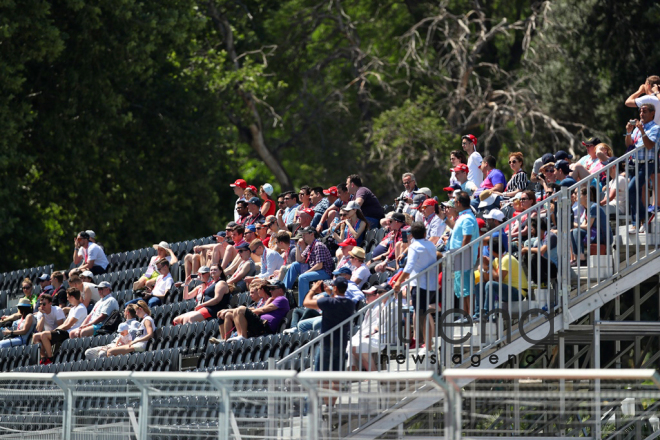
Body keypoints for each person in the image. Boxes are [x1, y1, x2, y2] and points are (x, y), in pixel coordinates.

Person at [393, 222, 438, 355]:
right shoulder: (430, 244)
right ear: (425, 233)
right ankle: (429, 343)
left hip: (420, 285)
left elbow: (408, 267)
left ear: (411, 235)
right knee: (425, 313)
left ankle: (428, 346)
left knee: (422, 315)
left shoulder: (414, 247)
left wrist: (399, 281)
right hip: (432, 284)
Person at [304, 277, 355, 372]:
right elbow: (338, 301)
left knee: (321, 375)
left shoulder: (327, 302)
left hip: (327, 342)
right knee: (336, 375)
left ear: (335, 288)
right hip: (341, 342)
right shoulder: (350, 303)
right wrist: (330, 292)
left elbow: (306, 303)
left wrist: (313, 290)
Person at [626, 103, 659, 232]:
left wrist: (642, 131)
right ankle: (637, 222)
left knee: (631, 189)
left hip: (647, 163)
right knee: (634, 192)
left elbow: (650, 145)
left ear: (652, 113)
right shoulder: (637, 129)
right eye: (640, 111)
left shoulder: (656, 128)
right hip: (634, 163)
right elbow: (629, 146)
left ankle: (642, 217)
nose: (641, 114)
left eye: (644, 111)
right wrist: (628, 132)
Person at [477, 236, 528, 320]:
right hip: (508, 290)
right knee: (480, 285)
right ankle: (478, 313)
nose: (488, 250)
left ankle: (487, 313)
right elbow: (487, 279)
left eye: (489, 248)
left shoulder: (506, 259)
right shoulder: (497, 260)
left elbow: (498, 279)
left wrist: (488, 267)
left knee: (491, 285)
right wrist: (483, 269)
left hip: (518, 292)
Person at [34, 288, 87, 365]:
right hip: (65, 331)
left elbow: (69, 325)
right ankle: (44, 358)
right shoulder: (73, 308)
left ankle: (50, 359)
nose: (67, 299)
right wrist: (55, 330)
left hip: (69, 333)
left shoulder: (80, 308)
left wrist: (55, 330)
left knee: (44, 335)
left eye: (68, 297)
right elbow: (65, 323)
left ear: (72, 297)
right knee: (38, 336)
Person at [284, 227, 335, 307]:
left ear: (312, 234)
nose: (302, 236)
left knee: (303, 277)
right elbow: (299, 260)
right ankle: (284, 290)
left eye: (304, 234)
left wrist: (307, 272)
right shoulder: (310, 246)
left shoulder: (318, 245)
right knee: (295, 265)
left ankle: (302, 305)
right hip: (316, 270)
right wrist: (297, 246)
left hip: (324, 272)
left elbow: (319, 265)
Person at [225, 279, 290, 341]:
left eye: (272, 289)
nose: (270, 291)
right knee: (237, 311)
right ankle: (239, 335)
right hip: (262, 324)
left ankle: (243, 336)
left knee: (241, 309)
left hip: (266, 326)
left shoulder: (282, 299)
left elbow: (263, 310)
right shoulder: (273, 299)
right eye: (270, 289)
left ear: (280, 290)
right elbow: (263, 309)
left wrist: (244, 312)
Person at [347, 285, 390, 371]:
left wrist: (367, 334)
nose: (366, 297)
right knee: (350, 344)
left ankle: (372, 371)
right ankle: (353, 372)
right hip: (368, 335)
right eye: (366, 295)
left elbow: (379, 326)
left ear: (377, 296)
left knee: (356, 345)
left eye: (369, 295)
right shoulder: (370, 308)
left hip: (379, 337)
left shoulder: (381, 307)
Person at [449, 192, 479, 312]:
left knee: (467, 288)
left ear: (459, 203)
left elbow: (467, 238)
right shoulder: (463, 216)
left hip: (464, 256)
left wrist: (460, 254)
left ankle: (469, 314)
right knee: (462, 288)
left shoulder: (467, 218)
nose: (454, 204)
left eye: (455, 201)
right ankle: (466, 314)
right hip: (460, 255)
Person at [570, 186, 612, 266]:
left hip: (603, 236)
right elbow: (582, 225)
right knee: (573, 232)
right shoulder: (587, 208)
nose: (576, 197)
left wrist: (573, 224)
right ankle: (576, 258)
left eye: (578, 195)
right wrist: (573, 227)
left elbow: (587, 227)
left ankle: (582, 259)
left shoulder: (593, 207)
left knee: (576, 231)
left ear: (586, 197)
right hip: (594, 234)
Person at [520, 217, 558, 285]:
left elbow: (541, 251)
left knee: (535, 257)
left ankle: (543, 281)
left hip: (554, 268)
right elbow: (533, 250)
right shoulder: (540, 238)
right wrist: (523, 249)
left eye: (531, 229)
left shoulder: (550, 236)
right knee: (527, 255)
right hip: (545, 267)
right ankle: (536, 280)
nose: (530, 231)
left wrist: (526, 249)